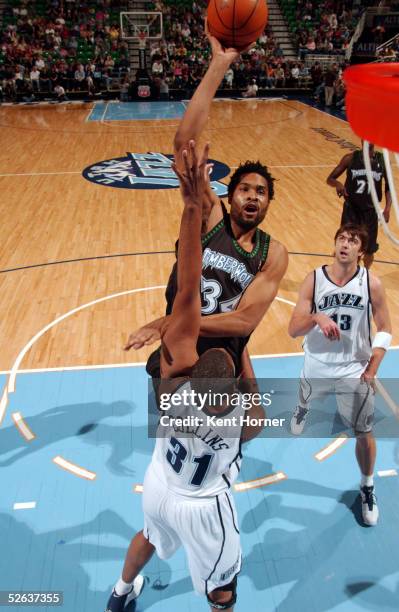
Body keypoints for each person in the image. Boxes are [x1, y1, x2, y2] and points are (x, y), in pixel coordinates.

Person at [105, 142, 266, 612]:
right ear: (232, 389)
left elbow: (189, 281)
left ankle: (120, 593)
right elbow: (256, 404)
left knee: (149, 536)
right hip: (205, 507)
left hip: (159, 484)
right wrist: (244, 348)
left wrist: (193, 210)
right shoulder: (243, 423)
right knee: (223, 589)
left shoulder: (173, 382)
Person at [126, 33, 288, 384]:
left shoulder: (272, 253)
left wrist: (169, 321)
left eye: (260, 192)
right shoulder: (212, 219)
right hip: (180, 349)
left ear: (268, 202)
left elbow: (245, 321)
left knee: (242, 430)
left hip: (221, 357)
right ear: (229, 198)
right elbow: (185, 145)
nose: (252, 196)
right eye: (244, 189)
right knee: (173, 435)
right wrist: (220, 65)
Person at [288, 223, 392, 526]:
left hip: (352, 368)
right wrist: (316, 317)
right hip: (318, 361)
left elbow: (385, 328)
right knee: (305, 392)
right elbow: (293, 329)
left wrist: (373, 366)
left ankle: (367, 485)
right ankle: (302, 409)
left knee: (364, 432)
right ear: (334, 245)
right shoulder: (314, 280)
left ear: (362, 251)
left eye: (353, 240)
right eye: (342, 239)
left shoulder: (371, 283)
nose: (346, 244)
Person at [327, 143, 392, 268]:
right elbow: (330, 178)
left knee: (369, 250)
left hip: (370, 211)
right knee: (344, 245)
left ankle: (365, 274)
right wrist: (338, 185)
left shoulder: (382, 161)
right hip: (351, 210)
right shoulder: (350, 158)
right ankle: (340, 273)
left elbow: (389, 187)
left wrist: (387, 209)